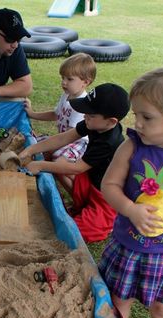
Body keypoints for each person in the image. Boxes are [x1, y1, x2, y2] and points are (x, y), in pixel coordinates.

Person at [98, 68, 163, 318]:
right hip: (129, 247)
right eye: (136, 115)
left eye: (147, 117)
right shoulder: (132, 146)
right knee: (118, 302)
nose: (137, 123)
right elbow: (109, 185)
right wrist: (131, 209)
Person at [18, 83, 130, 243]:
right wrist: (31, 150)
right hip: (89, 179)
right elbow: (64, 137)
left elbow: (78, 168)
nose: (85, 117)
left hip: (105, 195)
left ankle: (105, 218)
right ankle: (83, 205)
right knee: (60, 164)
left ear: (111, 121)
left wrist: (40, 165)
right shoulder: (94, 123)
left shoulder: (109, 142)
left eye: (90, 115)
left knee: (76, 231)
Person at [24, 53, 96, 190]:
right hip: (64, 139)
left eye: (69, 79)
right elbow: (55, 115)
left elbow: (71, 135)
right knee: (37, 143)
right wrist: (32, 114)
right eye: (62, 78)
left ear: (85, 82)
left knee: (58, 162)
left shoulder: (81, 104)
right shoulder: (66, 95)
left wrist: (50, 148)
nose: (63, 82)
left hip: (78, 142)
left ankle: (79, 195)